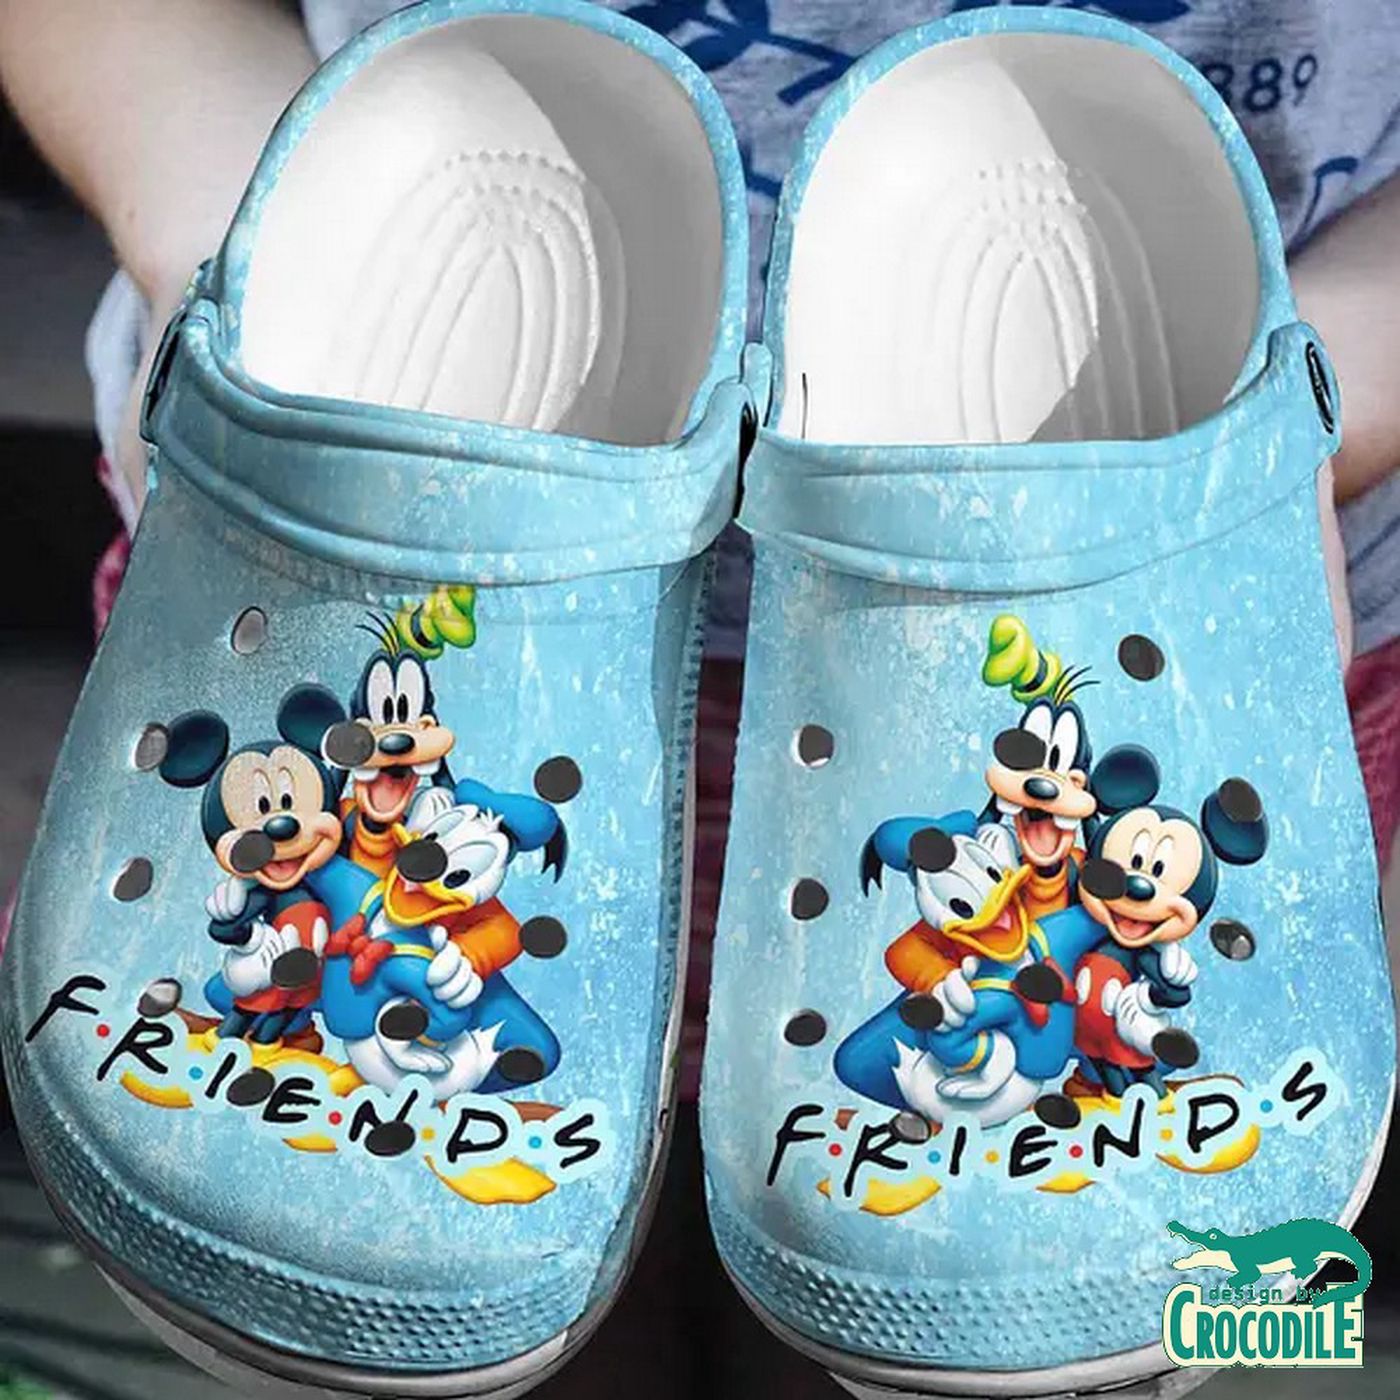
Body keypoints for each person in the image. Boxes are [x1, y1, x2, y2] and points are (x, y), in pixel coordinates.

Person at [2, 0, 1398, 1092]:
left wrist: (1308, 406)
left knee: (902, 1227)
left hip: (1208, 577)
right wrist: (229, 250)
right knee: (472, 1226)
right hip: (353, 472)